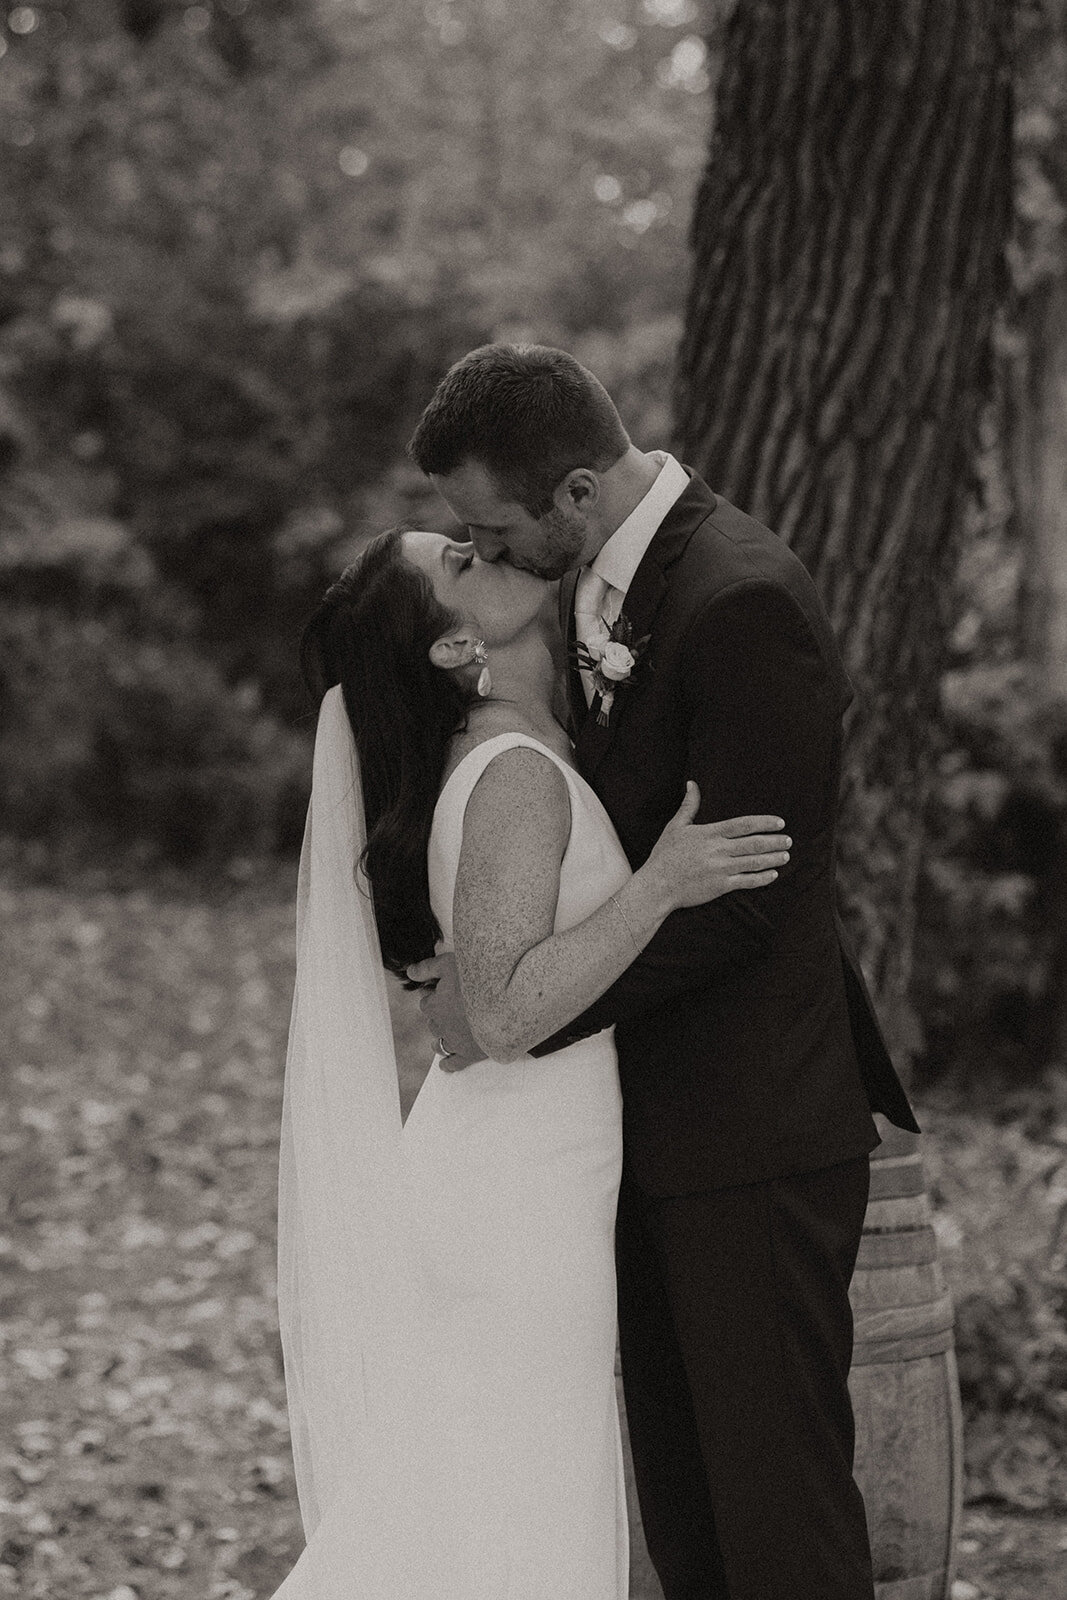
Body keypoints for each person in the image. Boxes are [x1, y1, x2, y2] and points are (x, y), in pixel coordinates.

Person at [407, 343, 921, 1600]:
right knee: (690, 1527)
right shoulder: (592, 587)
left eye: (491, 526)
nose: (479, 549)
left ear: (574, 496)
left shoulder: (737, 596)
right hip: (641, 1131)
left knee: (780, 1525)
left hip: (749, 1128)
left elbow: (745, 896)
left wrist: (522, 998)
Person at [271, 524, 789, 1600]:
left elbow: (482, 988)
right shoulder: (511, 774)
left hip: (519, 1178)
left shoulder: (519, 754)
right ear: (456, 652)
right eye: (457, 563)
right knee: (510, 1507)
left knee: (474, 1509)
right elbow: (503, 1012)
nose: (482, 549)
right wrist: (659, 883)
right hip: (510, 1206)